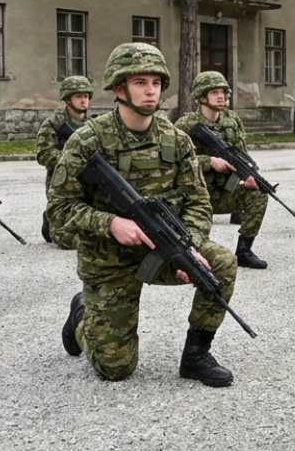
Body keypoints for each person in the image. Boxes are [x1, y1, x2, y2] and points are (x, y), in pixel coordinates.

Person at [48, 43, 238, 386]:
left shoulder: (177, 140)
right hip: (108, 260)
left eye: (155, 82)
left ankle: (196, 356)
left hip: (163, 249)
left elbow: (199, 203)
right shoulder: (88, 140)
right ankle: (81, 317)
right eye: (140, 82)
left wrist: (190, 247)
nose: (150, 90)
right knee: (115, 369)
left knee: (220, 265)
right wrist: (110, 223)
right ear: (119, 88)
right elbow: (58, 209)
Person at [176, 71, 270, 269]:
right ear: (202, 97)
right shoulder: (185, 125)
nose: (221, 96)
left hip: (223, 192)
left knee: (259, 194)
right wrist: (208, 161)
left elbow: (242, 154)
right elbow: (175, 163)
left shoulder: (232, 121)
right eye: (214, 92)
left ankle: (244, 250)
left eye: (223, 92)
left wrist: (249, 176)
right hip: (194, 196)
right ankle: (191, 252)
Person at [35, 75, 93, 248]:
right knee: (67, 240)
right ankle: (51, 219)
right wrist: (73, 161)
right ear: (67, 99)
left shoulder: (94, 124)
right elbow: (44, 154)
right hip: (61, 181)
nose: (84, 101)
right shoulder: (54, 123)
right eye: (78, 96)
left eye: (86, 96)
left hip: (87, 180)